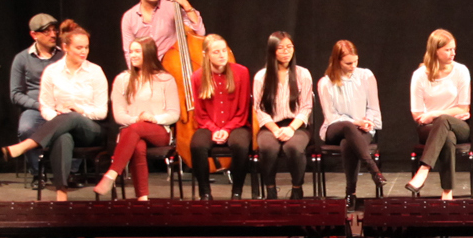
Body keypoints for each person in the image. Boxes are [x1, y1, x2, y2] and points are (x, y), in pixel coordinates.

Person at [3, 20, 108, 201]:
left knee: (72, 116)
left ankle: (26, 145)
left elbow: (102, 112)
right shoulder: (52, 71)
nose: (84, 51)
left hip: (91, 129)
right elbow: (45, 106)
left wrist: (79, 110)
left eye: (86, 47)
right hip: (61, 125)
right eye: (79, 47)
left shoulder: (95, 71)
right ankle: (61, 193)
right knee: (62, 136)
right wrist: (56, 117)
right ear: (65, 47)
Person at [93, 38, 180, 199]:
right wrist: (137, 120)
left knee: (135, 130)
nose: (132, 55)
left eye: (137, 51)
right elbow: (119, 115)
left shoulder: (166, 79)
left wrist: (153, 118)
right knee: (137, 145)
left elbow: (174, 114)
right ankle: (142, 199)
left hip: (159, 131)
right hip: (131, 132)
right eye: (131, 51)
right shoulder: (122, 80)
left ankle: (112, 173)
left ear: (148, 53)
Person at [317, 40, 388, 199]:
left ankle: (350, 193)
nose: (353, 66)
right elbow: (331, 116)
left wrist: (369, 121)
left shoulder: (366, 76)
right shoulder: (326, 83)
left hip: (362, 129)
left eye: (355, 61)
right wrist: (356, 122)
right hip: (335, 128)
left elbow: (373, 107)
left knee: (348, 143)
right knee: (348, 127)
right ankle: (373, 169)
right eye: (348, 63)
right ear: (337, 61)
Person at [405, 29, 471, 199]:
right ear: (435, 51)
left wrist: (434, 114)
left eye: (453, 49)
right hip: (428, 129)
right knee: (447, 138)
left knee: (443, 121)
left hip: (459, 126)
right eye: (447, 50)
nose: (453, 53)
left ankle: (424, 169)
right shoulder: (420, 75)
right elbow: (418, 114)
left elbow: (464, 109)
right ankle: (447, 192)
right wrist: (432, 117)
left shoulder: (461, 71)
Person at [187, 34, 253, 198]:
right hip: (209, 126)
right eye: (216, 52)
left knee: (240, 145)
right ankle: (205, 193)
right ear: (206, 55)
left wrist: (228, 129)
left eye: (224, 51)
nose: (222, 55)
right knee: (197, 146)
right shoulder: (197, 77)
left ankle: (237, 192)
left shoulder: (241, 72)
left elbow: (243, 109)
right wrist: (214, 129)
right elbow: (200, 113)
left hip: (237, 124)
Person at [251, 32, 314, 199]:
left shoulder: (303, 74)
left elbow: (306, 107)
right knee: (268, 148)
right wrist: (275, 129)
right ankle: (270, 190)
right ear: (273, 51)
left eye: (289, 47)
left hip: (297, 125)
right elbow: (259, 109)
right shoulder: (261, 77)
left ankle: (297, 189)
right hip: (271, 125)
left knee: (293, 147)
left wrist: (291, 128)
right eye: (281, 48)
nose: (286, 51)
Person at [120, 0, 205, 61]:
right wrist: (137, 74)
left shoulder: (170, 7)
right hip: (146, 69)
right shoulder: (129, 17)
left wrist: (185, 3)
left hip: (171, 65)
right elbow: (129, 52)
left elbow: (199, 31)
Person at [8, 13, 62, 138]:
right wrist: (39, 106)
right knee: (26, 129)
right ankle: (35, 158)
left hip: (61, 107)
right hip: (36, 109)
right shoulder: (22, 59)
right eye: (46, 32)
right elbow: (16, 94)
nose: (53, 35)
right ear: (34, 35)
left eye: (54, 30)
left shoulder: (64, 56)